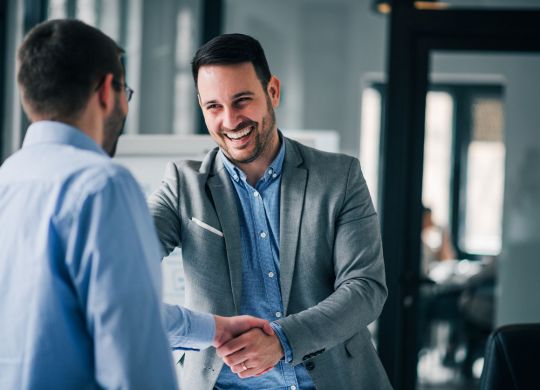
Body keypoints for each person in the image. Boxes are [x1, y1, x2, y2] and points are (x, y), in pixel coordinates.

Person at [0, 20, 271, 389]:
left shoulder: (9, 178)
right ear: (108, 92)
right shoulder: (102, 184)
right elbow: (132, 348)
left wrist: (214, 329)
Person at [149, 33, 391, 389]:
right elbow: (120, 268)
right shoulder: (182, 185)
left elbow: (365, 289)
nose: (230, 121)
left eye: (242, 100)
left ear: (272, 92)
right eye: (213, 107)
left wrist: (282, 340)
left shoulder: (340, 177)